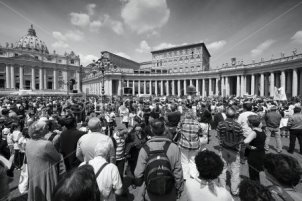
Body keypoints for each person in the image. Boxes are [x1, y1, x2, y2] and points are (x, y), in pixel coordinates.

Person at [134, 119, 184, 201]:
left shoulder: (145, 149)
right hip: (169, 192)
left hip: (150, 194)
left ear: (151, 130)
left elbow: (138, 174)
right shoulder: (174, 147)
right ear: (164, 129)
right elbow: (178, 172)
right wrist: (178, 189)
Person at [26, 120, 61, 201]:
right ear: (40, 130)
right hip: (46, 173)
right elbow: (57, 158)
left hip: (33, 172)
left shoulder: (28, 142)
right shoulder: (46, 144)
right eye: (45, 127)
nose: (47, 128)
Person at [217, 107, 244, 196]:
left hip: (223, 149)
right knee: (235, 171)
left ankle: (222, 188)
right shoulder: (238, 125)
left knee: (222, 169)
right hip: (234, 151)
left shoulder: (221, 124)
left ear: (226, 114)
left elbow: (218, 136)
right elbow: (241, 138)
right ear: (235, 115)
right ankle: (234, 190)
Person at [178, 104, 203, 179]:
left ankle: (186, 177)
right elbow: (200, 132)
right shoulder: (197, 123)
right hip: (194, 144)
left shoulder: (182, 122)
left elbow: (177, 129)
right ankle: (194, 176)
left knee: (184, 161)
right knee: (193, 161)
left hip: (184, 144)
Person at [243, 115, 266, 182]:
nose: (246, 122)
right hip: (261, 153)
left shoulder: (254, 132)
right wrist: (249, 146)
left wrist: (247, 145)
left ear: (251, 123)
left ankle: (255, 188)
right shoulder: (261, 130)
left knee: (253, 174)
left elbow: (245, 141)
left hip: (254, 155)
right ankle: (256, 187)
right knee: (256, 173)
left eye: (247, 121)